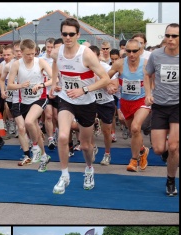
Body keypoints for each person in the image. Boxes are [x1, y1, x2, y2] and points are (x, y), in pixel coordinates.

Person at [49, 17, 111, 194]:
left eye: (71, 34)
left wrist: (84, 90)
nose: (68, 37)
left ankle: (89, 169)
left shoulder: (86, 54)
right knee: (62, 136)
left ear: (78, 35)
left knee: (85, 145)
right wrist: (54, 82)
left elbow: (105, 79)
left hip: (86, 102)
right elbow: (55, 63)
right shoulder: (57, 51)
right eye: (64, 34)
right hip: (66, 99)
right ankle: (64, 175)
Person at [7, 38, 53, 171]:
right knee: (33, 127)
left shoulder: (40, 62)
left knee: (28, 122)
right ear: (21, 52)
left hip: (40, 97)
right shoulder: (16, 64)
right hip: (24, 100)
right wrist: (21, 85)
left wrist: (41, 85)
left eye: (33, 53)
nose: (31, 57)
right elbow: (9, 85)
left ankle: (35, 147)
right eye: (28, 54)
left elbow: (54, 78)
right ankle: (43, 155)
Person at [144, 23, 179, 196]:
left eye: (174, 36)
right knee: (159, 148)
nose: (170, 39)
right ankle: (169, 154)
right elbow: (147, 73)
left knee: (173, 146)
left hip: (178, 106)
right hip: (159, 105)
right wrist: (148, 93)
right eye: (168, 35)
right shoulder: (156, 55)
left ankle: (171, 180)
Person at [108, 39, 151, 173]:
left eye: (135, 51)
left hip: (142, 101)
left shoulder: (146, 65)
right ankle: (143, 150)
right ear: (124, 51)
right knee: (134, 132)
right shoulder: (119, 64)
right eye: (128, 51)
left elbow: (155, 81)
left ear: (140, 51)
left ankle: (134, 160)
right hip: (126, 102)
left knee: (135, 127)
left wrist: (151, 95)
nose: (131, 54)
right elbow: (105, 77)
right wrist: (109, 85)